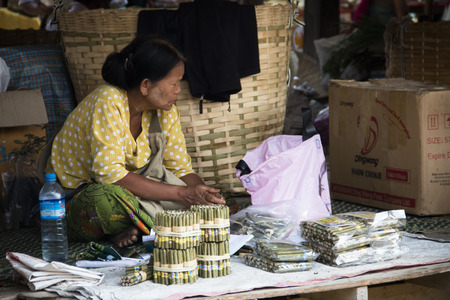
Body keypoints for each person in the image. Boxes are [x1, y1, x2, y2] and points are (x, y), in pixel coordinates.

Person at [46, 36, 226, 247]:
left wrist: (206, 199)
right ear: (146, 85)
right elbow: (110, 176)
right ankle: (139, 225)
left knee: (209, 203)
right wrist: (182, 194)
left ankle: (138, 226)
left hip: (134, 193)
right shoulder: (108, 100)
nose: (178, 90)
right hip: (77, 197)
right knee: (104, 202)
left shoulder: (166, 112)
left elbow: (180, 170)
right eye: (173, 83)